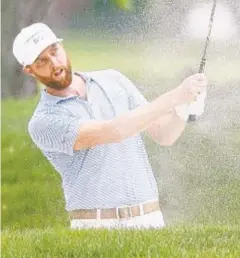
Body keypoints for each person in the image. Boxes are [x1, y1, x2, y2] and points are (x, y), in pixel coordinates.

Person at [12, 23, 207, 230]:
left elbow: (164, 135)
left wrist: (184, 107)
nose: (54, 63)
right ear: (29, 70)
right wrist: (175, 96)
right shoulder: (44, 121)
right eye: (42, 60)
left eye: (54, 51)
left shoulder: (113, 79)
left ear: (62, 46)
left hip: (150, 218)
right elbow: (113, 131)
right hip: (97, 225)